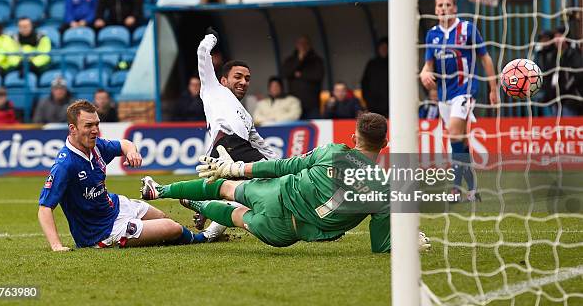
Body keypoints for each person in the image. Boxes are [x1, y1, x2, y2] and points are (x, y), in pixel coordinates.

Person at [141, 112, 431, 253]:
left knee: (223, 186)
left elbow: (282, 166)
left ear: (354, 139)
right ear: (385, 144)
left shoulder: (332, 151)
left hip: (273, 193)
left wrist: (238, 168)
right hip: (283, 231)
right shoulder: (384, 192)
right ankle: (196, 204)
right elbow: (381, 247)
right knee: (235, 216)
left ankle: (161, 190)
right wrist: (407, 243)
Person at [38, 100, 206, 250]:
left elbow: (124, 144)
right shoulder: (65, 165)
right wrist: (56, 246)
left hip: (115, 205)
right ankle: (204, 238)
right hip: (101, 231)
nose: (95, 130)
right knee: (172, 227)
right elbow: (45, 208)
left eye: (97, 124)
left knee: (161, 217)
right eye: (89, 126)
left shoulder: (96, 147)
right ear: (73, 129)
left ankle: (174, 237)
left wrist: (131, 152)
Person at [182, 28, 278, 241]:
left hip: (231, 151)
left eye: (247, 78)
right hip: (226, 145)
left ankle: (207, 212)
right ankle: (208, 212)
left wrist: (280, 164)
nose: (244, 81)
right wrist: (212, 37)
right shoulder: (212, 88)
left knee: (249, 192)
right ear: (223, 80)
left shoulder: (246, 116)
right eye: (238, 76)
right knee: (259, 187)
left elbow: (260, 145)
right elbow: (202, 52)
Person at [420, 0, 498, 202]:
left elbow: (485, 58)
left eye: (447, 5)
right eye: (440, 6)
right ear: (435, 10)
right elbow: (428, 65)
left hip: (464, 91)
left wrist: (493, 88)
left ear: (454, 8)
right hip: (444, 95)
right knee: (460, 142)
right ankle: (473, 191)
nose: (443, 9)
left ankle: (455, 189)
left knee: (454, 135)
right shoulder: (432, 35)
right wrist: (424, 72)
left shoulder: (467, 29)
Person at [282, 36, 325, 118]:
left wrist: (301, 75)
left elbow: (318, 76)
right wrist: (299, 60)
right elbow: (285, 73)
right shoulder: (290, 60)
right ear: (296, 45)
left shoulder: (316, 60)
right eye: (300, 44)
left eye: (305, 44)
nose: (303, 46)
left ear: (309, 45)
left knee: (312, 127)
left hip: (312, 103)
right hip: (293, 103)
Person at [546, 27, 583, 116]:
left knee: (568, 123)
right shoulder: (553, 56)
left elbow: (577, 74)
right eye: (555, 38)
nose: (556, 41)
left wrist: (565, 88)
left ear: (566, 38)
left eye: (559, 37)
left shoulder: (573, 54)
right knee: (556, 124)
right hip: (556, 98)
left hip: (570, 99)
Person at [361, 37, 389, 117]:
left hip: (390, 105)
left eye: (386, 48)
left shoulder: (393, 63)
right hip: (373, 105)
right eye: (382, 48)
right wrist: (368, 99)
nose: (384, 50)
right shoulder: (372, 64)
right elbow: (364, 83)